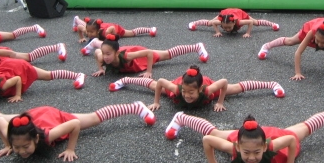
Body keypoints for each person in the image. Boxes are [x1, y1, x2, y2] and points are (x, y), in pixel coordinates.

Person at [163, 105, 324, 163]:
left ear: (264, 148)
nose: (251, 158)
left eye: (256, 154)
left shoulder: (272, 145)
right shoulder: (236, 148)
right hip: (248, 138)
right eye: (246, 154)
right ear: (237, 147)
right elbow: (207, 140)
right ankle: (181, 117)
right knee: (215, 132)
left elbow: (291, 140)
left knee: (304, 129)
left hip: (272, 137)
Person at [0, 101, 155, 161]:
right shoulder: (16, 131)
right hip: (31, 115)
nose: (22, 151)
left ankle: (134, 106)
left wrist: (71, 148)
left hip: (54, 117)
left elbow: (74, 126)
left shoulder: (47, 135)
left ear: (36, 139)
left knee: (92, 119)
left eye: (25, 146)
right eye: (18, 148)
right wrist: (7, 145)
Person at [109, 65, 285, 112]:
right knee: (156, 86)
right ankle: (126, 79)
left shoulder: (207, 90)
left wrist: (220, 102)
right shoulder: (178, 90)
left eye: (190, 93)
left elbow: (223, 82)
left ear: (200, 90)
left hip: (203, 83)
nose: (187, 96)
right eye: (185, 92)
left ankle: (270, 84)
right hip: (183, 81)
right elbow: (161, 81)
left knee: (233, 89)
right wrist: (155, 102)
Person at [0, 27, 67, 87]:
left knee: (29, 57)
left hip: (5, 59)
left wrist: (16, 62)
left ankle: (56, 46)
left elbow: (10, 54)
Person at [91, 34, 209, 78]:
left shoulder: (127, 56)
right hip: (117, 49)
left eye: (108, 54)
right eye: (104, 54)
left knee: (167, 54)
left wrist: (149, 72)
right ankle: (96, 41)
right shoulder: (103, 56)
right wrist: (101, 69)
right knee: (105, 48)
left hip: (139, 56)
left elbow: (148, 53)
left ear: (116, 53)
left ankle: (196, 47)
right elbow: (97, 53)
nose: (105, 57)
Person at [0, 60, 86, 103]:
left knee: (47, 75)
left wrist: (17, 95)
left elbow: (17, 79)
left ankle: (77, 75)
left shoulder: (2, 84)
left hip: (21, 69)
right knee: (47, 75)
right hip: (10, 67)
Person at [72, 16, 156, 51]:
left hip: (113, 28)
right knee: (85, 25)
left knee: (131, 33)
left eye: (92, 32)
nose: (89, 34)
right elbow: (80, 28)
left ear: (97, 31)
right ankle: (77, 19)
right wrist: (81, 37)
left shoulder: (105, 33)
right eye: (88, 32)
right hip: (99, 26)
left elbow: (112, 28)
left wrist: (115, 36)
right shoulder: (88, 31)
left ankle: (149, 29)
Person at [188, 8, 279, 38]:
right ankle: (194, 23)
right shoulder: (220, 21)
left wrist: (248, 33)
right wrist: (218, 32)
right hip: (226, 13)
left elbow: (250, 22)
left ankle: (272, 24)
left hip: (238, 13)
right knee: (210, 22)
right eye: (225, 28)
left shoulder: (239, 21)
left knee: (256, 22)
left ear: (234, 23)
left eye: (229, 28)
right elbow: (214, 23)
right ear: (222, 23)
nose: (227, 30)